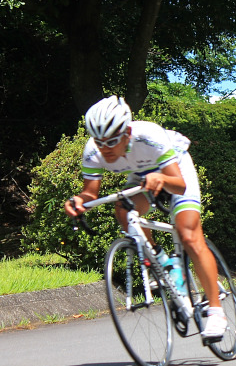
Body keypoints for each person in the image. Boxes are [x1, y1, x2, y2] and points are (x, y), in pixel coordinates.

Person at [63, 96, 227, 341]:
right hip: (142, 176)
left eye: (112, 141)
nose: (105, 148)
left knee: (188, 235)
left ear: (127, 132)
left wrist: (161, 180)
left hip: (176, 170)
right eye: (99, 142)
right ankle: (164, 264)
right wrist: (78, 201)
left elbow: (179, 185)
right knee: (122, 210)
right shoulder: (93, 151)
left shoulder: (149, 136)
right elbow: (90, 193)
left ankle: (216, 312)